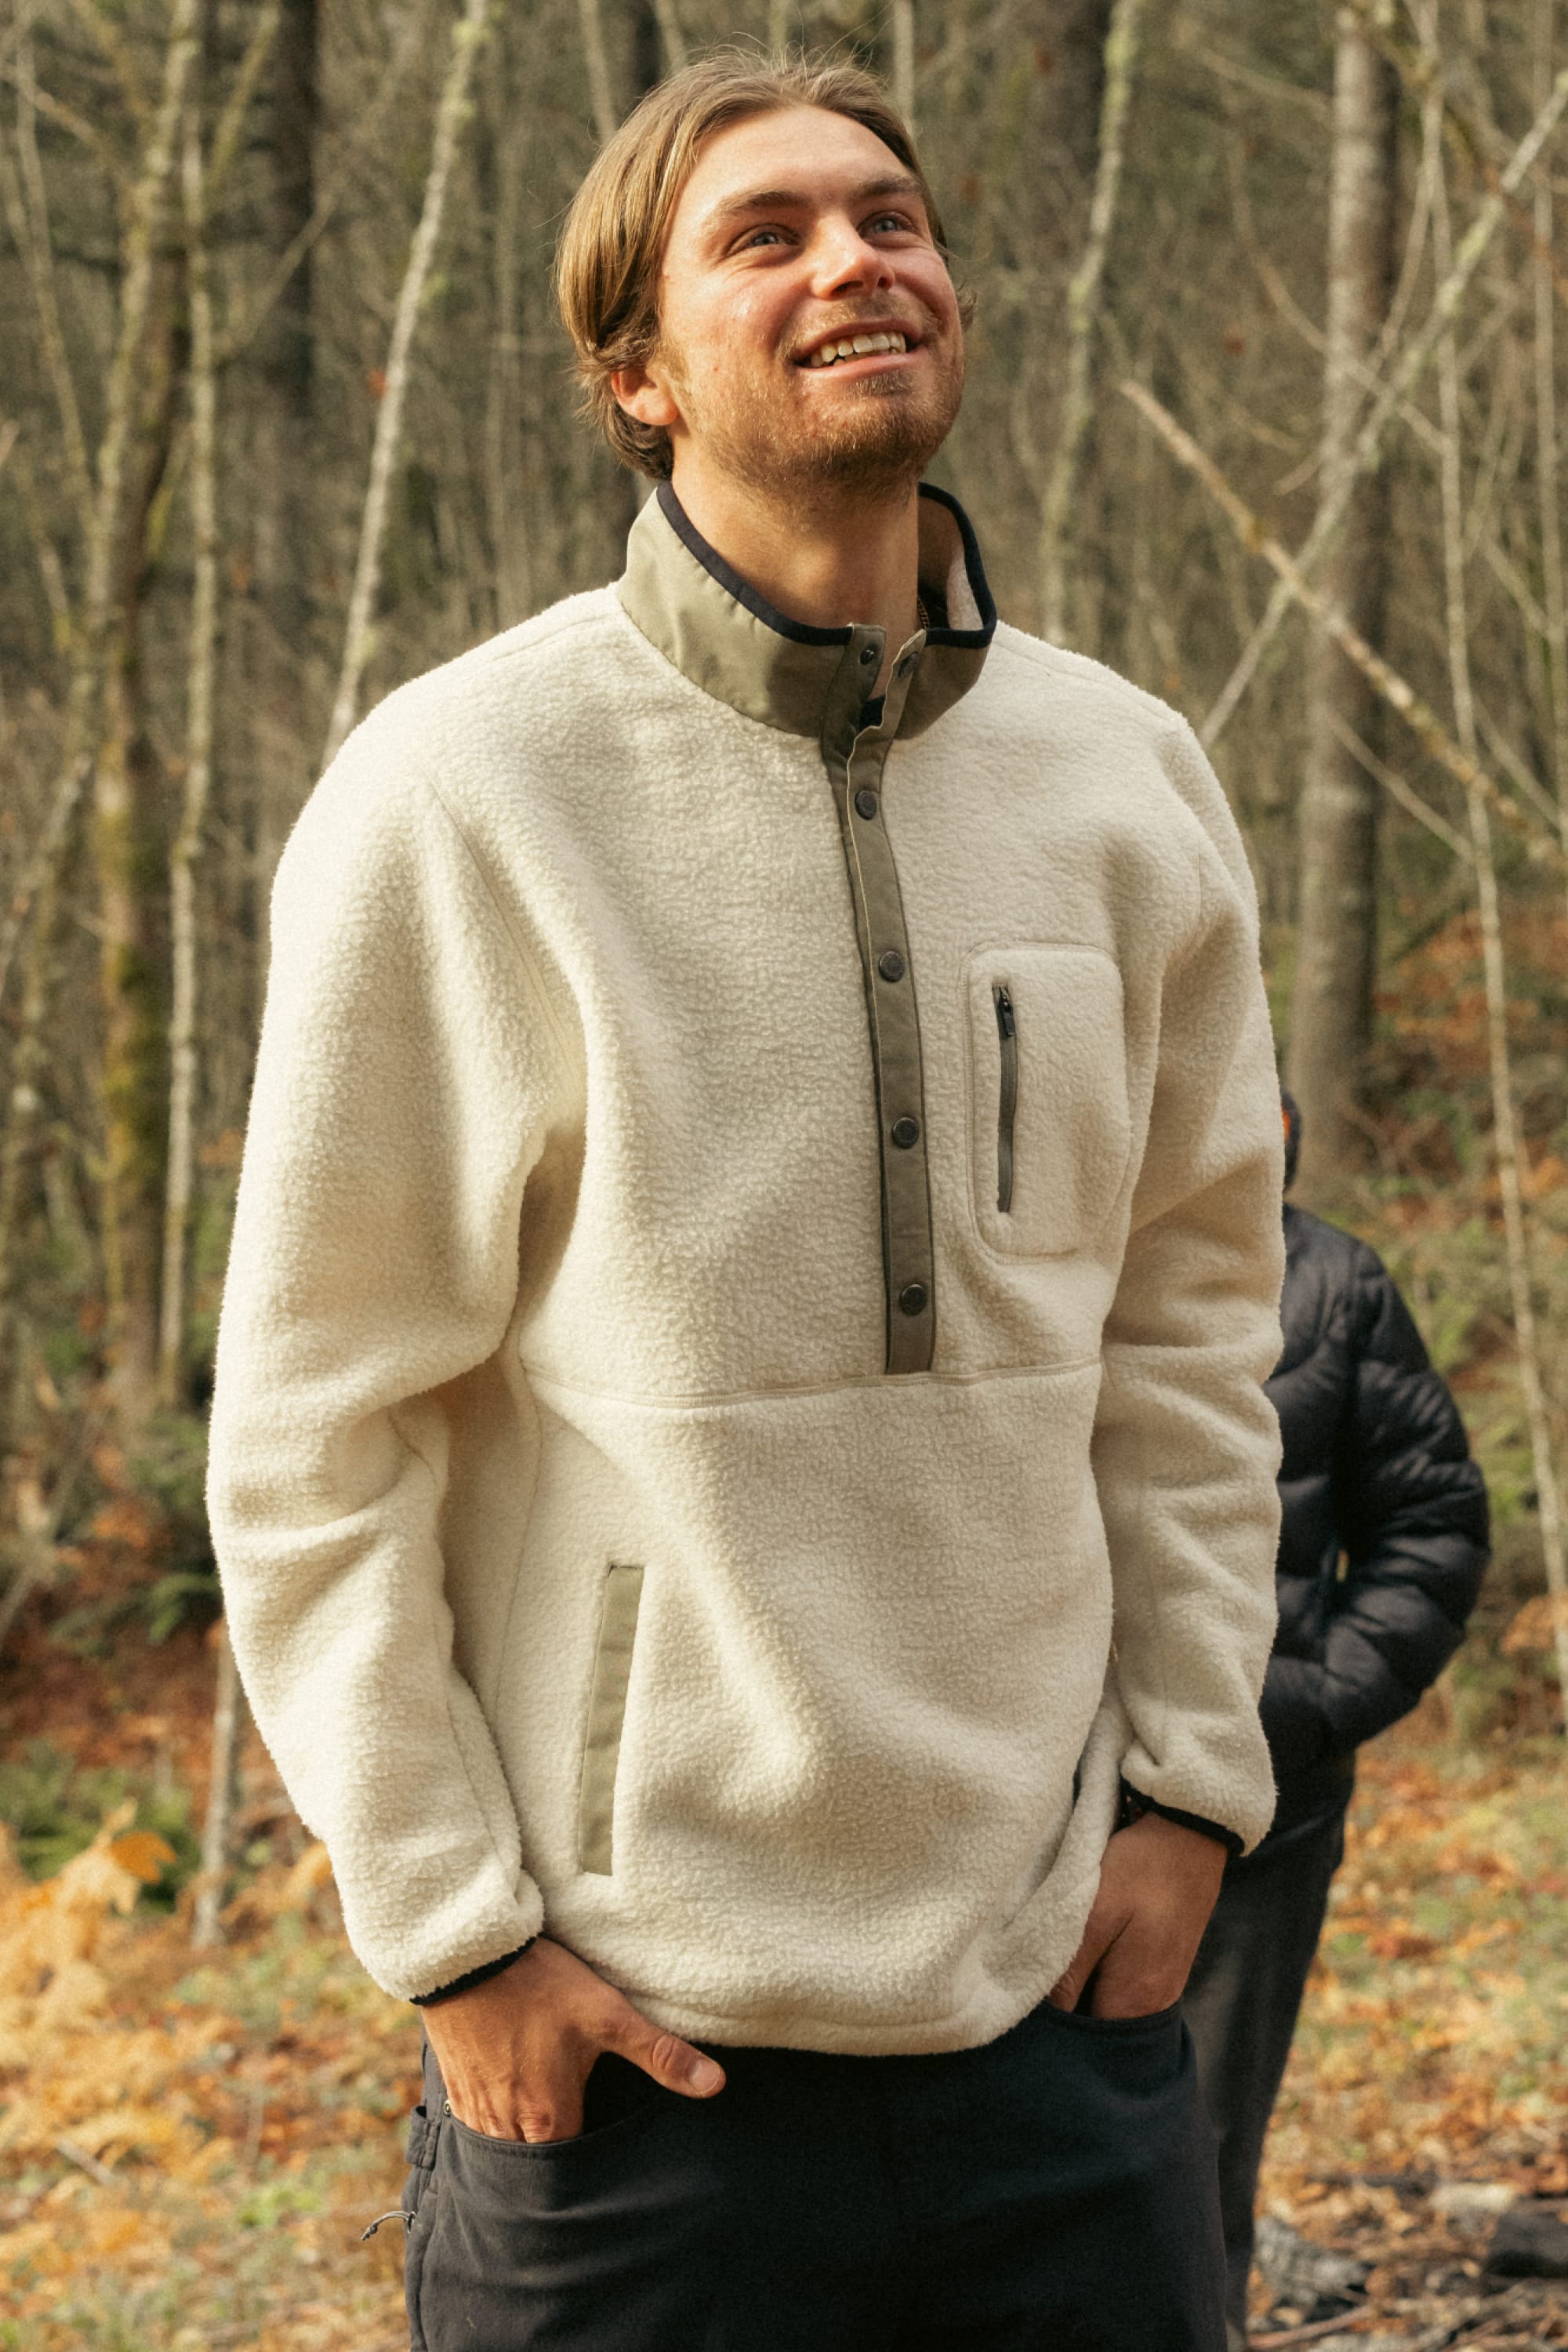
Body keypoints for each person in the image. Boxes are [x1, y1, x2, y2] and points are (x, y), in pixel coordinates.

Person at [208, 52, 1288, 2351]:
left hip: (1060, 2019)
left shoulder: (1130, 779)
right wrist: (462, 1937)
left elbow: (1195, 1328)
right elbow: (317, 1433)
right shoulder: (459, 796)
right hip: (629, 2067)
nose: (858, 260)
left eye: (890, 215)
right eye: (767, 235)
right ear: (639, 373)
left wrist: (1194, 1790)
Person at [1184, 1092, 1490, 2350]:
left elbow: (1433, 1532)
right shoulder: (1057, 1266)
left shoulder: (1335, 1285)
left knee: (1198, 2167)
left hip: (1260, 1816)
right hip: (1027, 1805)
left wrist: (1304, 1706)